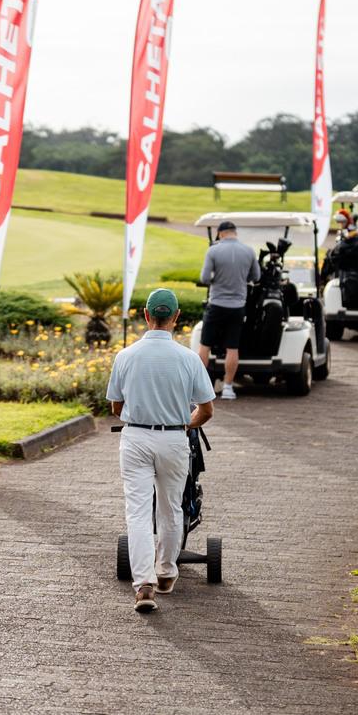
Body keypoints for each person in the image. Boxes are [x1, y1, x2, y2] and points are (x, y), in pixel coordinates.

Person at [105, 287, 216, 613]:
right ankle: (166, 571)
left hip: (136, 437)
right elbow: (207, 410)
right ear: (176, 317)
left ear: (146, 315)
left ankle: (144, 584)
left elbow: (116, 407)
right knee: (171, 508)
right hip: (173, 439)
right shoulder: (189, 358)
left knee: (138, 512)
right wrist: (186, 423)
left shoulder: (125, 356)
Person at [198, 219, 260, 399]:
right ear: (235, 233)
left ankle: (201, 388)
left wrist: (216, 279)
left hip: (217, 304)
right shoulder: (248, 251)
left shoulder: (213, 251)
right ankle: (228, 387)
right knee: (232, 347)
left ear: (220, 234)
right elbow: (256, 276)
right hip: (237, 306)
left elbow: (204, 278)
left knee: (205, 345)